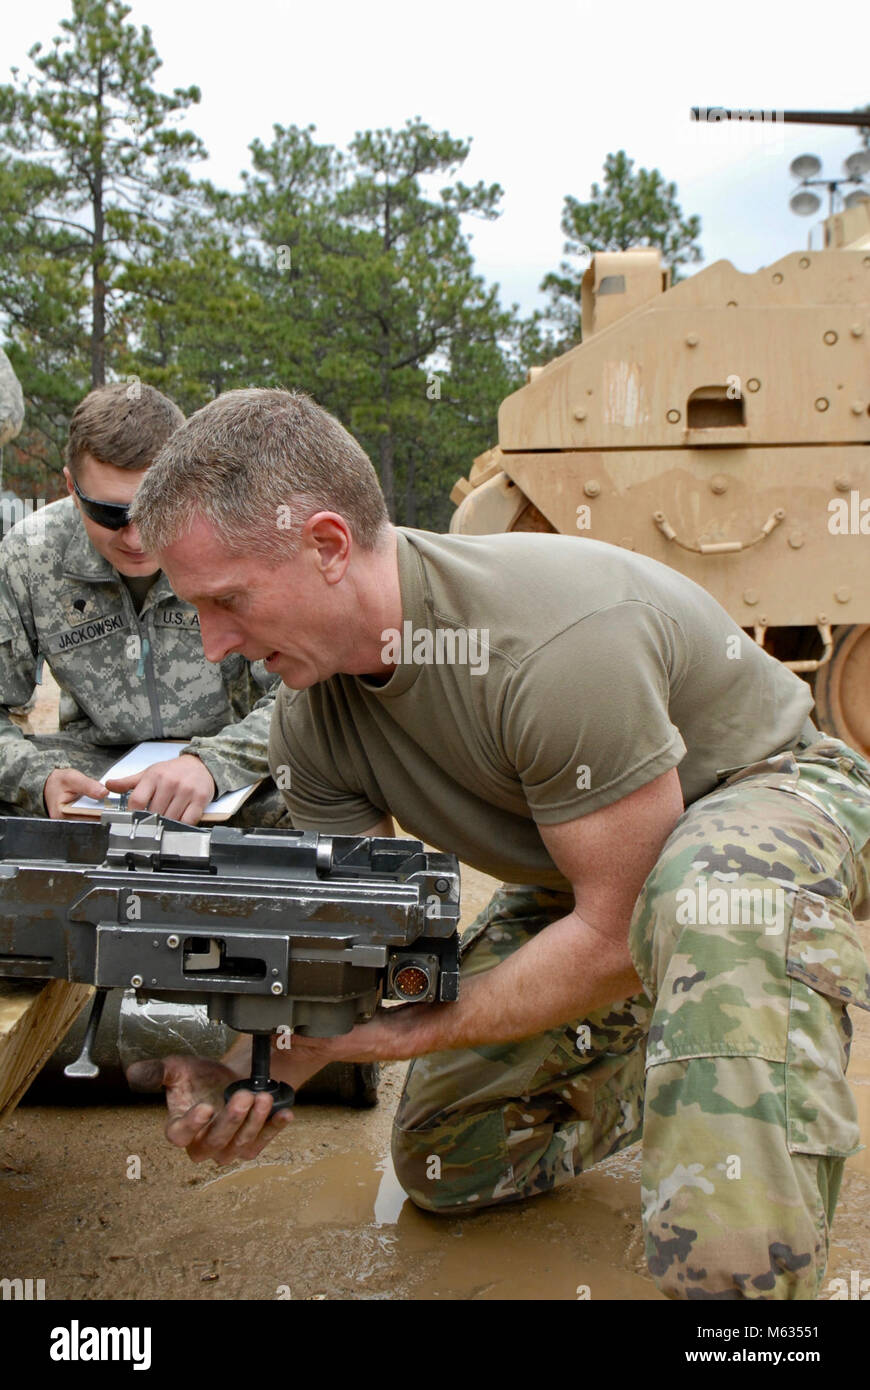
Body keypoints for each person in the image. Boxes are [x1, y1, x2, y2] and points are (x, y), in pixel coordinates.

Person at [127, 387, 870, 1300]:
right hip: (595, 874)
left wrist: (407, 1034)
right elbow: (361, 956)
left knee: (701, 905)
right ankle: (668, 1050)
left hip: (761, 801)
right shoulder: (310, 723)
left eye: (228, 601)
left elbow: (613, 930)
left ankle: (749, 1318)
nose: (212, 646)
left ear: (326, 545)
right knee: (450, 1159)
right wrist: (261, 1068)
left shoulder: (548, 643)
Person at [0, 382, 289, 827]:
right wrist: (40, 779)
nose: (136, 539)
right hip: (93, 775)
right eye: (109, 514)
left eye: (155, 509)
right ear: (71, 488)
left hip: (230, 770)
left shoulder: (240, 542)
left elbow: (301, 696)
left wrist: (210, 764)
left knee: (323, 792)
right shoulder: (29, 554)